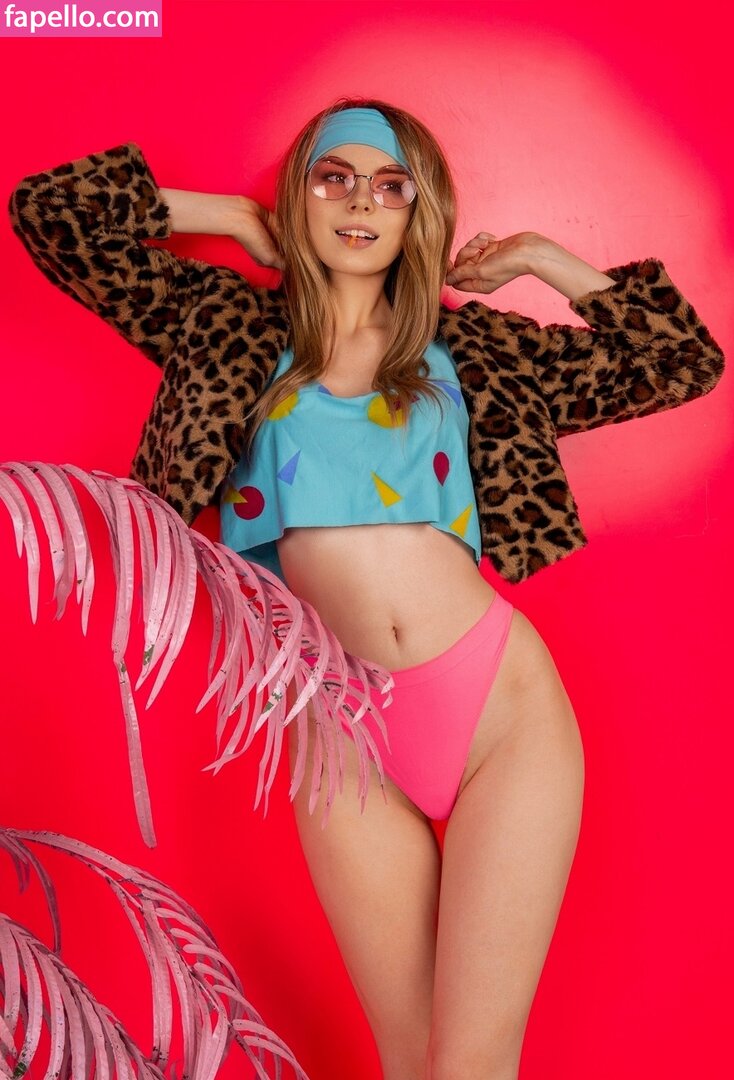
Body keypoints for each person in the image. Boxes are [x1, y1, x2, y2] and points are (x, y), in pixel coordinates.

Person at [7, 97, 725, 1080]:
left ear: (418, 212)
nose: (361, 203)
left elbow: (680, 360)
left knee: (471, 1059)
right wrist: (231, 215)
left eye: (391, 187)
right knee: (407, 1059)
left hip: (498, 712)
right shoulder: (220, 326)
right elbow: (51, 214)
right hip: (339, 730)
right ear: (300, 196)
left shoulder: (476, 352)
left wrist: (539, 259)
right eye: (333, 178)